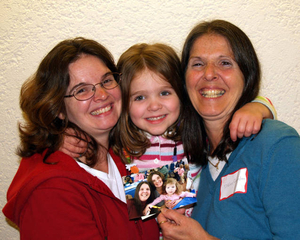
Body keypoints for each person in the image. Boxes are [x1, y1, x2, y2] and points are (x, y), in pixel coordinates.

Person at [2, 37, 159, 240]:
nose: (101, 94)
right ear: (58, 108)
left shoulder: (125, 155)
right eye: (81, 90)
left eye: (106, 81)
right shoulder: (51, 192)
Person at [157, 19, 300, 240]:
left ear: (247, 75)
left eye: (225, 63)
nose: (210, 74)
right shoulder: (190, 163)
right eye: (197, 64)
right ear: (183, 82)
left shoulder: (277, 145)